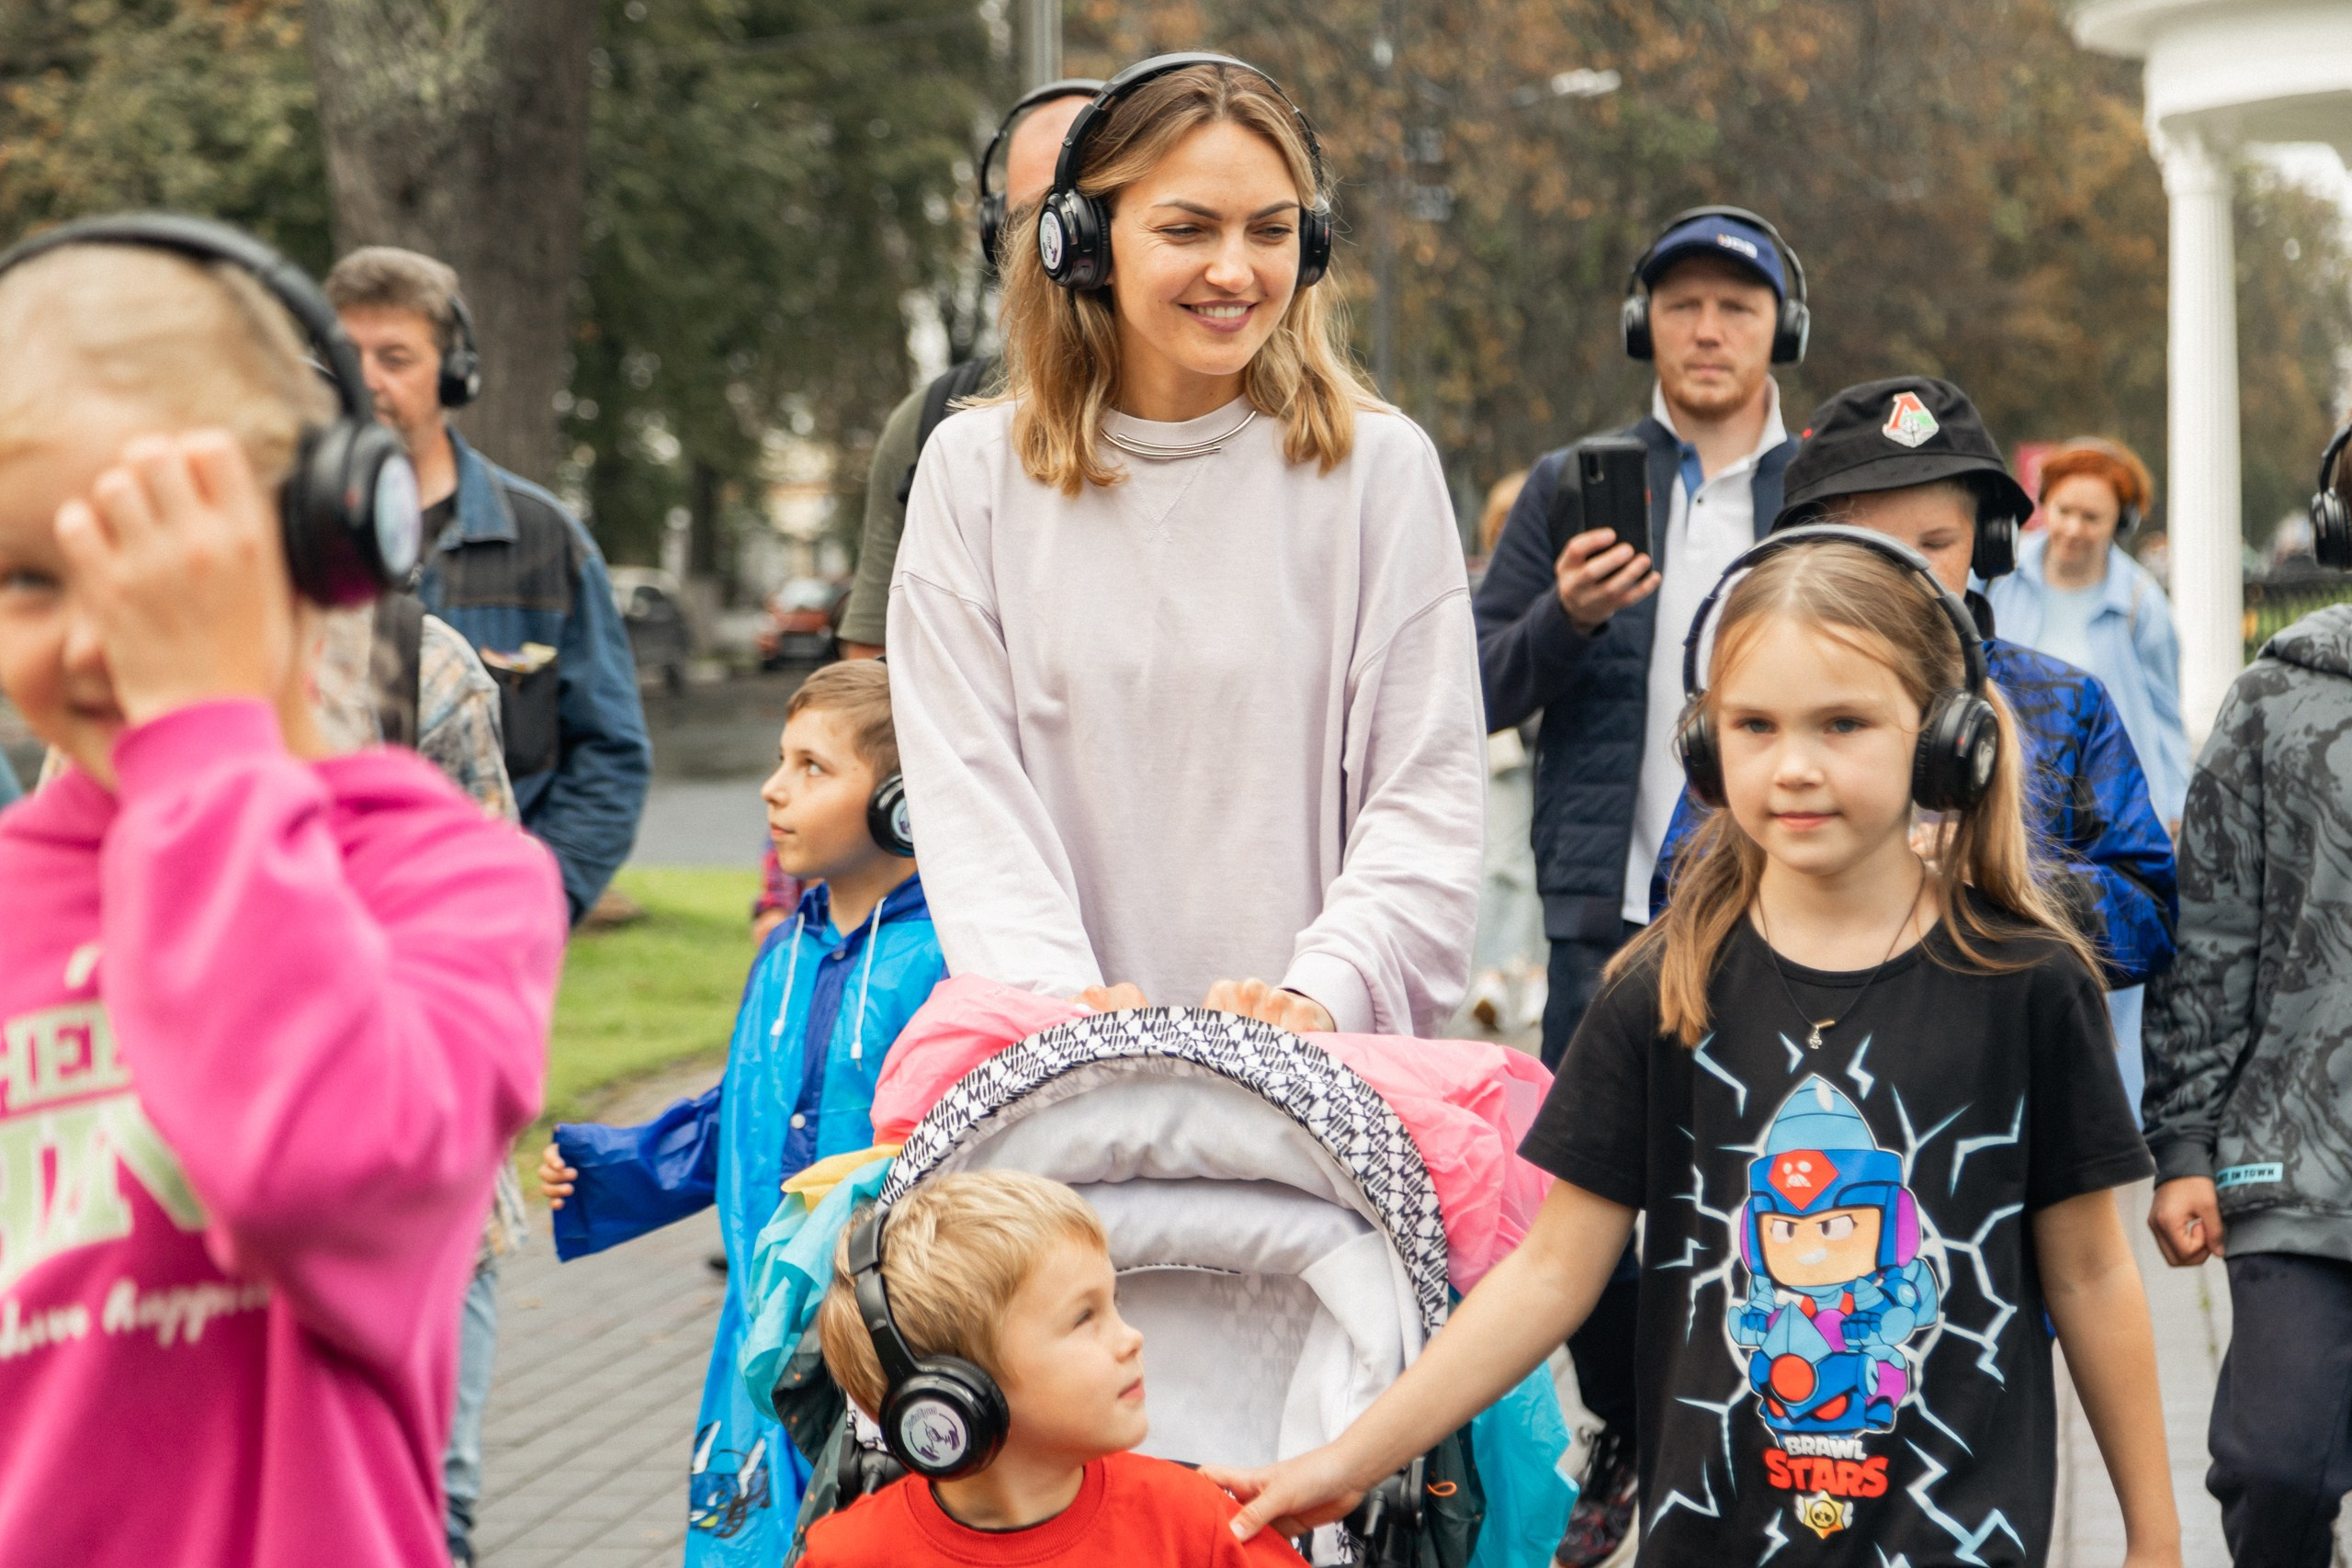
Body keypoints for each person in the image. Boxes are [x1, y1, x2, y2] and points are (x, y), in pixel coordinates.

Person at [1206, 528, 2182, 1568]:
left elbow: (2089, 1276)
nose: (1794, 766)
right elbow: (1549, 1275)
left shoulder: (2029, 985)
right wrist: (1350, 1458)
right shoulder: (1657, 990)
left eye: (1844, 722)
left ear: (1947, 742)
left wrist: (2154, 1537)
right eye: (1754, 725)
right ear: (1707, 750)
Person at [0, 223, 563, 1562]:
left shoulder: (438, 875)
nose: (98, 631)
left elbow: (329, 1167)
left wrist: (200, 740)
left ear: (325, 545)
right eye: (29, 573)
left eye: (162, 559)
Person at [888, 54, 1485, 1038]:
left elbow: (1424, 797)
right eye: (1186, 229)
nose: (1235, 270)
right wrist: (1065, 1012)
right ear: (1082, 244)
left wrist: (1318, 998)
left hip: (1319, 1097)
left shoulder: (1381, 470)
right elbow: (968, 798)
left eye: (1271, 231)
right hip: (1061, 1084)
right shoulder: (970, 475)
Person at [1473, 203, 1808, 1562]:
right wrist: (1569, 614)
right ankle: (1623, 1424)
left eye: (1736, 302)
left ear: (1785, 323)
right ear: (1642, 325)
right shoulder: (1575, 481)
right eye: (1682, 304)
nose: (1709, 328)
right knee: (1591, 1207)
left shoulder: (1831, 484)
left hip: (1787, 912)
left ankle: (1774, 1442)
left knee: (1773, 1189)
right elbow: (1473, 686)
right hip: (1603, 920)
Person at [537, 660, 945, 1562]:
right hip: (757, 1345)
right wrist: (620, 1163)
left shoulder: (941, 966)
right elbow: (741, 1113)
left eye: (812, 767)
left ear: (900, 803)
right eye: (779, 760)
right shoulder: (784, 956)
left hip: (881, 1348)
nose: (774, 789)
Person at [2142, 420, 2352, 1568]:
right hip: (2297, 1163)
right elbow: (2210, 933)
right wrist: (2181, 1146)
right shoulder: (2273, 702)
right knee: (2273, 1468)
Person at [326, 246, 651, 925]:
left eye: (395, 357)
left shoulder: (544, 542)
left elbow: (609, 751)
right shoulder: (281, 538)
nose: (367, 380)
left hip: (485, 935)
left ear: (453, 374)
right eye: (347, 355)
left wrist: (538, 905)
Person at [803, 1170, 1308, 1566]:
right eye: (1084, 1317)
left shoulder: (1189, 1520)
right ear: (955, 1393)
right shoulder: (850, 1555)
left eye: (1114, 1302)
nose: (1132, 1337)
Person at [834, 78, 1100, 660]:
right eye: (1035, 218)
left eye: (1085, 212)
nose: (1063, 246)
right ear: (994, 235)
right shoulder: (934, 427)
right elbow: (871, 688)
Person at [1986, 434, 2187, 1119]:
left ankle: (2107, 1117)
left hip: (2102, 807)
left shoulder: (2138, 602)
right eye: (2064, 510)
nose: (2073, 528)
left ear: (2118, 525)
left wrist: (2171, 808)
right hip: (2012, 805)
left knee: (2107, 971)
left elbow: (2163, 715)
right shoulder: (2001, 577)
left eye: (2092, 517)